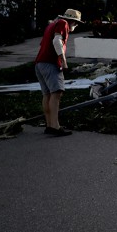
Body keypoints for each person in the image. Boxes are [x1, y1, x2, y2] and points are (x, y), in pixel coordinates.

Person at [34, 8, 83, 137]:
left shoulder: (52, 24)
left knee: (47, 94)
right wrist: (63, 60)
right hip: (50, 63)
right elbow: (57, 41)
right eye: (76, 23)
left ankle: (49, 125)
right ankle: (55, 126)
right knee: (56, 94)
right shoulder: (63, 23)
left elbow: (43, 43)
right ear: (72, 21)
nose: (75, 26)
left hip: (40, 63)